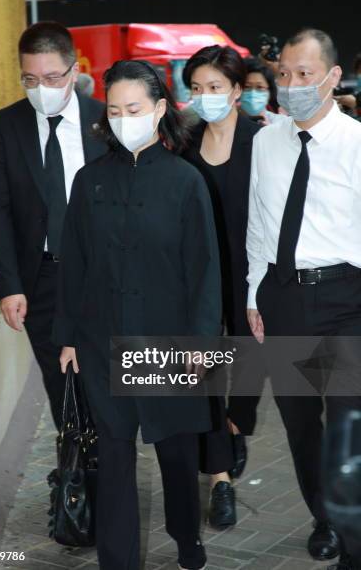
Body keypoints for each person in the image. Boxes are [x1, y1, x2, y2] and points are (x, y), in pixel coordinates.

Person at [53, 60, 222, 570]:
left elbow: (205, 270)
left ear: (160, 109)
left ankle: (186, 536)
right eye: (116, 109)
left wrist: (199, 343)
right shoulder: (89, 182)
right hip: (102, 338)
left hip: (166, 340)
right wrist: (67, 338)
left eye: (135, 108)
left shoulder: (186, 181)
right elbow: (74, 264)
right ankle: (118, 560)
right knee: (115, 455)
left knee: (174, 451)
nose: (125, 118)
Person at [247, 28, 361, 570]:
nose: (291, 84)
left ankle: (352, 539)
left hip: (347, 300)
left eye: (304, 74)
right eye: (284, 74)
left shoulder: (357, 144)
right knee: (298, 422)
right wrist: (253, 294)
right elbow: (258, 225)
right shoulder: (266, 140)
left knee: (347, 425)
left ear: (333, 77)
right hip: (283, 296)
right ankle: (324, 518)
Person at [0, 21, 106, 430]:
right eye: (30, 79)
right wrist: (10, 286)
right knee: (61, 384)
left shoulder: (106, 121)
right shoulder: (6, 126)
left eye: (52, 77)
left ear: (74, 71)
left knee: (107, 384)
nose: (42, 88)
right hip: (45, 279)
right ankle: (77, 475)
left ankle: (106, 475)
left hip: (106, 274)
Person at [181, 45, 264, 531]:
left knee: (251, 365)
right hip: (201, 281)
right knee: (204, 374)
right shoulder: (185, 145)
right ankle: (219, 480)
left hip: (253, 276)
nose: (205, 97)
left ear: (236, 91)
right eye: (196, 89)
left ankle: (237, 426)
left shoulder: (262, 143)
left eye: (214, 88)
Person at [239, 57, 286, 125]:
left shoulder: (281, 123)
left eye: (260, 87)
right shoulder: (228, 122)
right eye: (247, 87)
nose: (253, 93)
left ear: (269, 92)